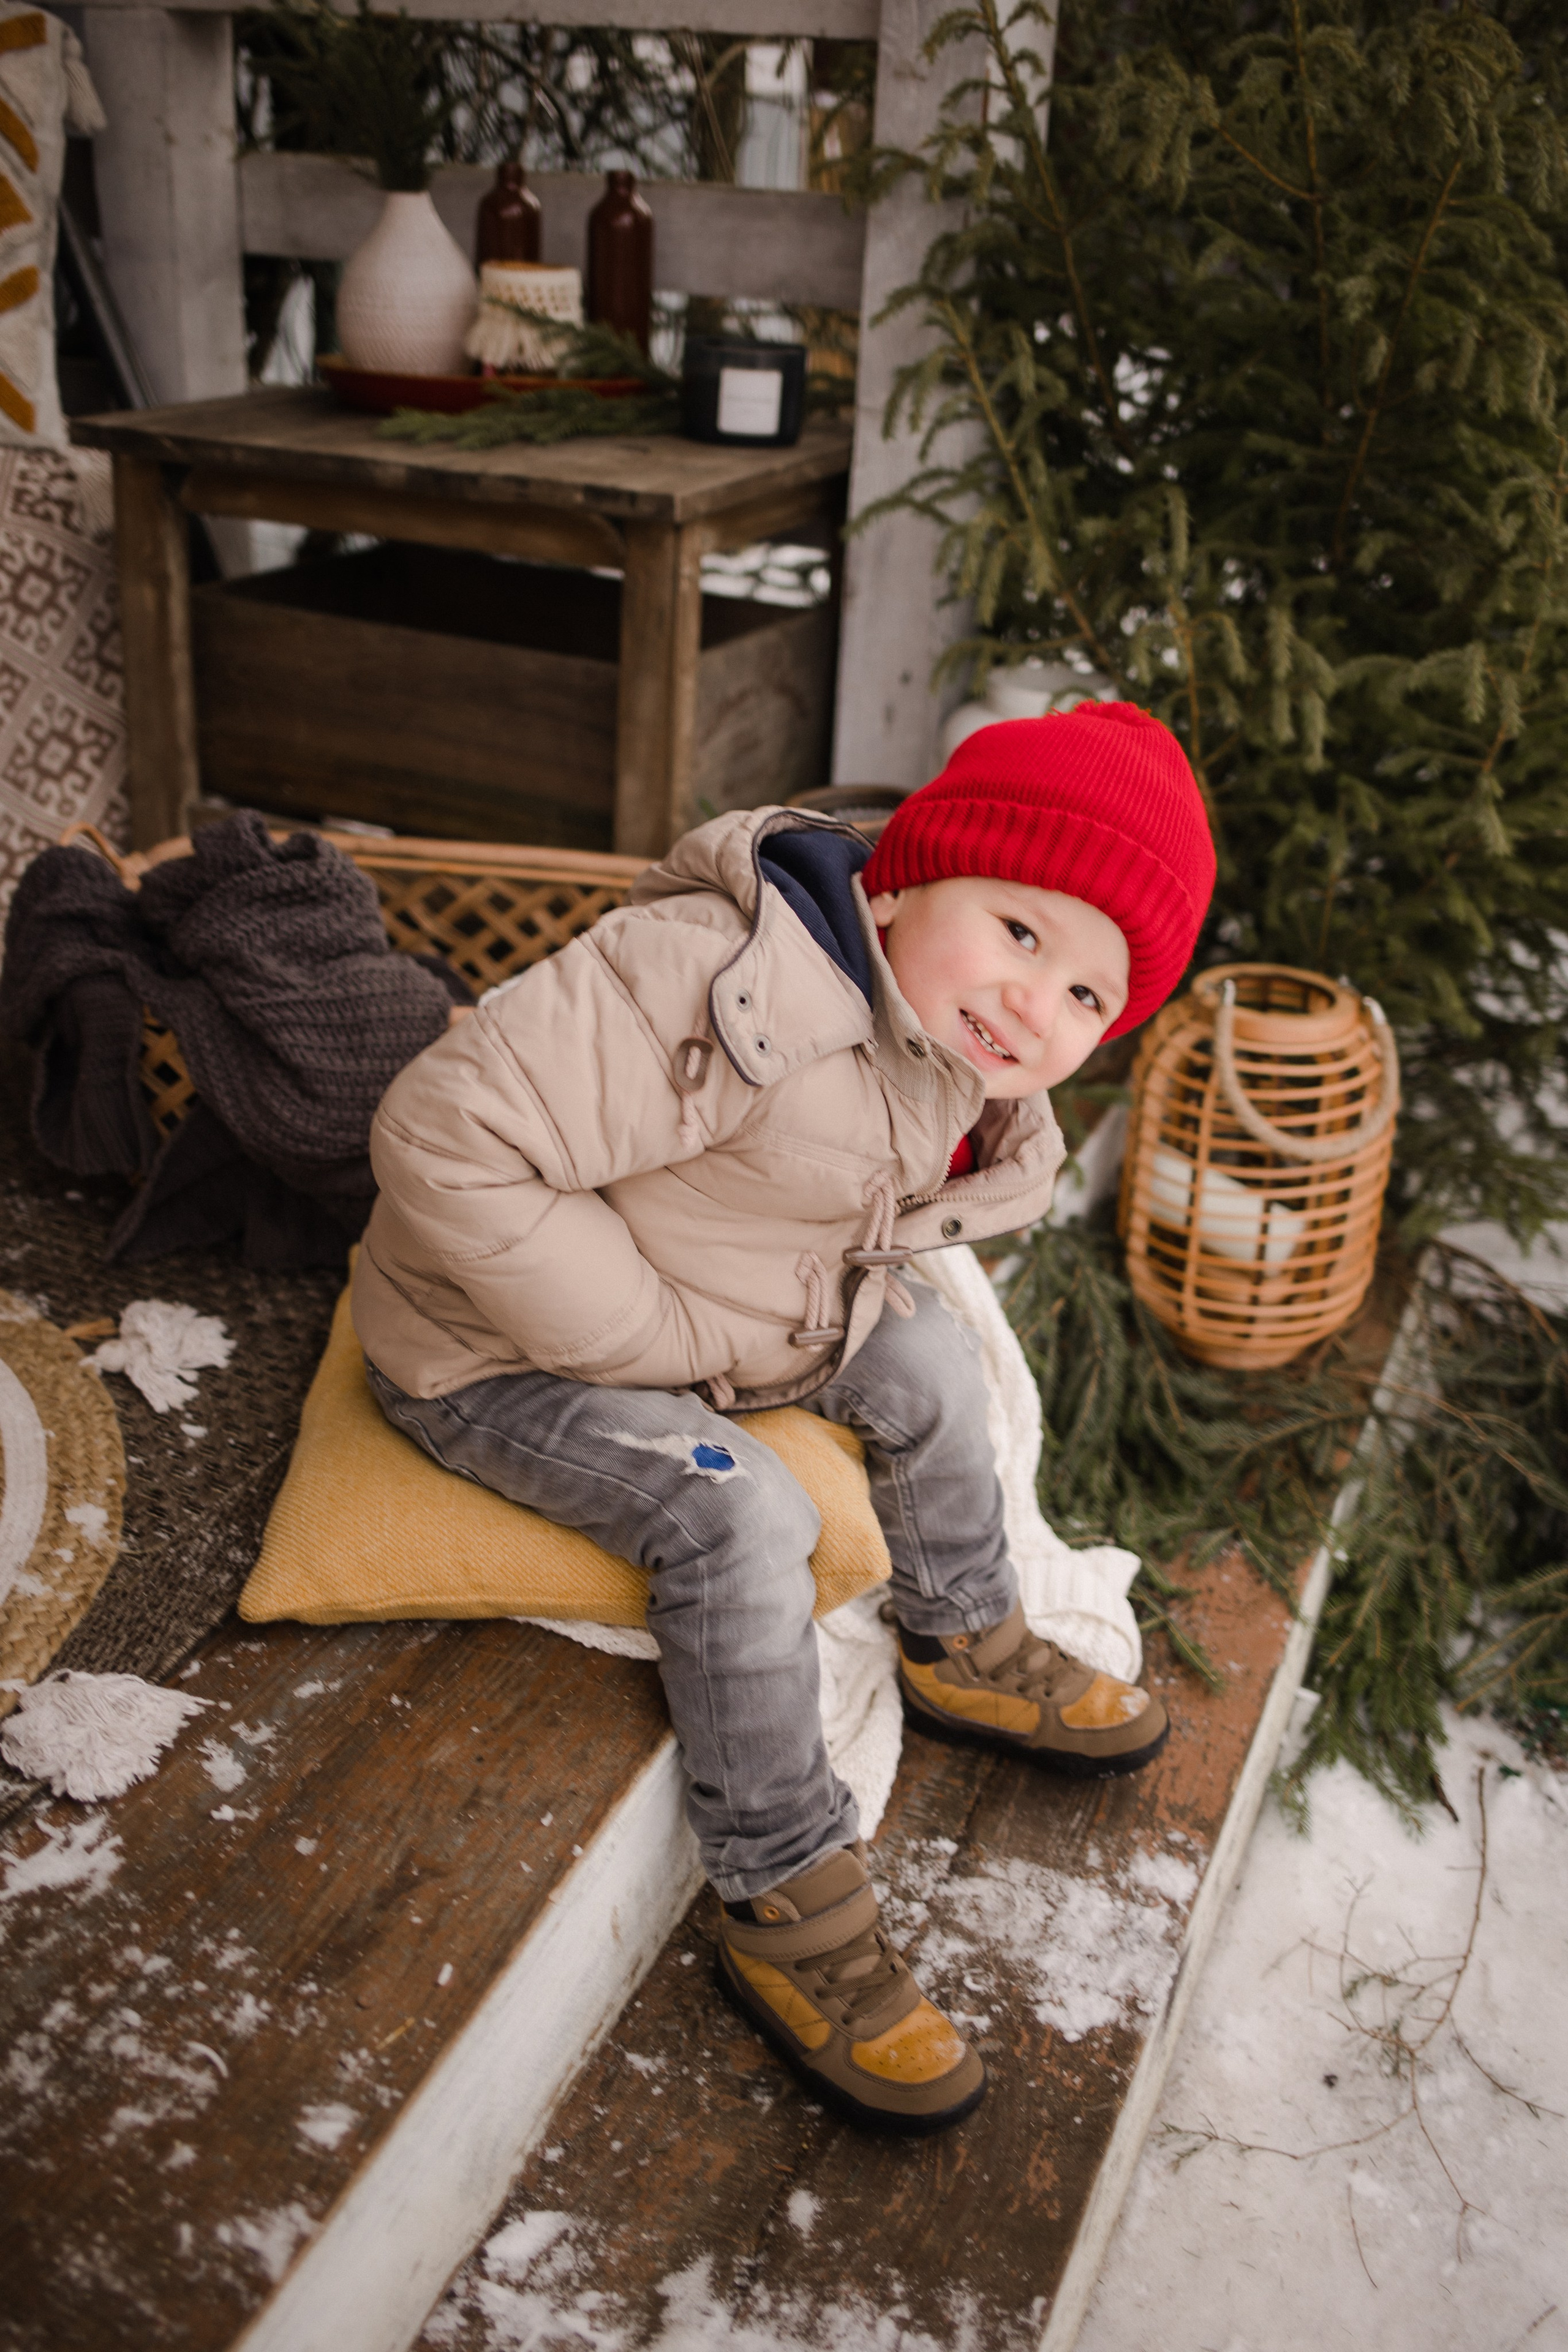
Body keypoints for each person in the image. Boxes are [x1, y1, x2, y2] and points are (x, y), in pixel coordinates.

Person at [352, 701, 1216, 2132]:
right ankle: (790, 1909)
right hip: (495, 1345)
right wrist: (649, 1343)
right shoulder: (717, 980)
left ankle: (964, 1640)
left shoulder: (936, 1039)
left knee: (932, 1364)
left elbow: (825, 1208)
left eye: (1086, 998)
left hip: (739, 1304)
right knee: (741, 1509)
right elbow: (445, 1133)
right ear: (910, 873)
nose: (1034, 1008)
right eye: (1019, 932)